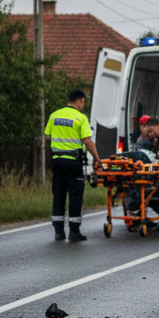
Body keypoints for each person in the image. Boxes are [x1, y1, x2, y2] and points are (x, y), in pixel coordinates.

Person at [44, 88, 101, 241]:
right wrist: (96, 158)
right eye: (83, 102)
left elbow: (47, 136)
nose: (83, 105)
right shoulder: (80, 118)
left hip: (56, 161)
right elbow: (87, 141)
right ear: (79, 101)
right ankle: (74, 232)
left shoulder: (54, 115)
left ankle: (58, 232)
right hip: (73, 161)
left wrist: (59, 143)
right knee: (75, 195)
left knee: (59, 194)